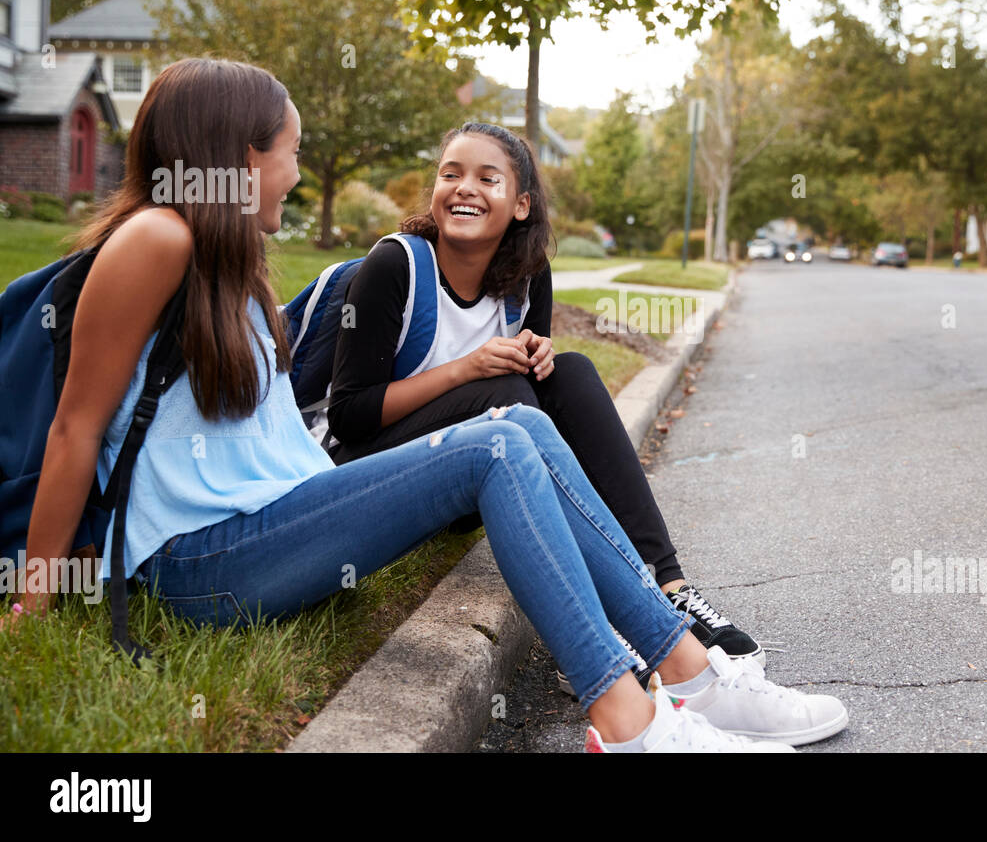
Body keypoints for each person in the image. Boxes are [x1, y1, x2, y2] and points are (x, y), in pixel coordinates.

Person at [4, 58, 848, 752]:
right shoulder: (158, 238)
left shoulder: (236, 259)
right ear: (239, 155)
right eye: (291, 152)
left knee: (518, 422)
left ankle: (692, 677)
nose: (298, 173)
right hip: (199, 563)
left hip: (273, 521)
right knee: (498, 443)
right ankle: (627, 722)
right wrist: (33, 601)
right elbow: (75, 426)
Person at [326, 122, 764, 691]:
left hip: (481, 473)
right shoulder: (397, 267)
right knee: (502, 393)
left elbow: (533, 389)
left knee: (572, 372)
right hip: (373, 473)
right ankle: (603, 620)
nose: (464, 188)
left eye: (488, 178)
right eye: (450, 174)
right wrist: (468, 367)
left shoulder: (527, 276)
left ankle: (669, 586)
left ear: (521, 205)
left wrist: (539, 355)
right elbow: (348, 418)